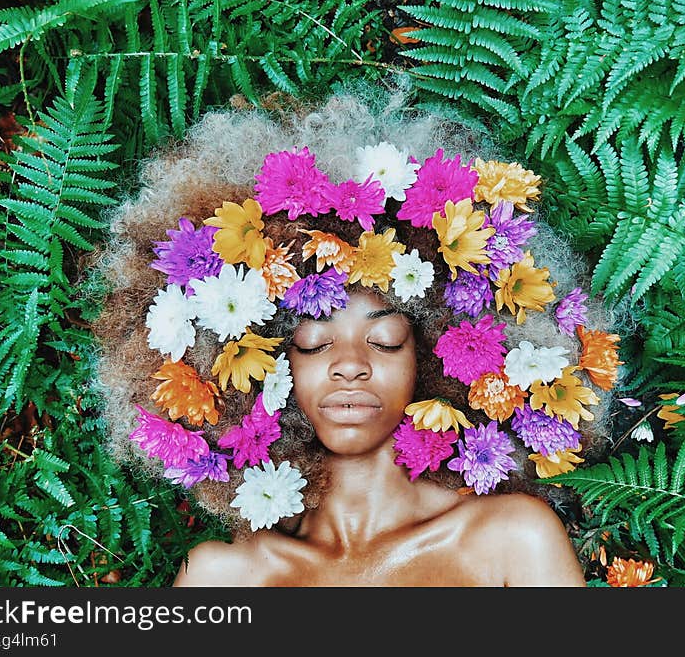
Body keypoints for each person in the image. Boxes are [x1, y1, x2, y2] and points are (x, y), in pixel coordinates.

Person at [89, 84, 623, 587]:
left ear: (436, 362)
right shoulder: (226, 576)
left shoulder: (512, 540)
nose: (350, 364)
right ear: (265, 368)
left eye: (386, 340)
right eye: (315, 343)